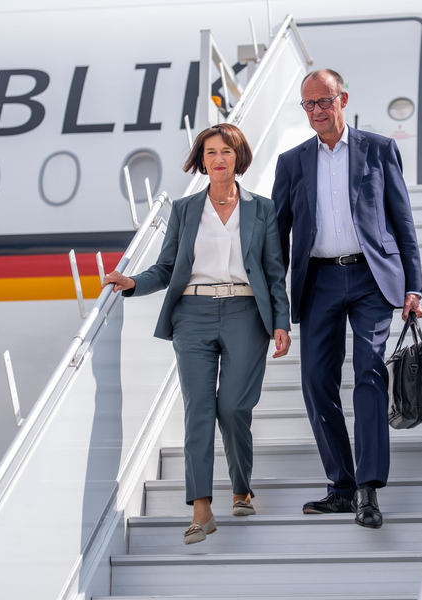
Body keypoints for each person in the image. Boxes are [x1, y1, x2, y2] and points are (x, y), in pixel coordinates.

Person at [102, 123, 291, 545]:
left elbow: (276, 272)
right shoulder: (186, 209)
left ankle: (241, 486)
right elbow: (168, 268)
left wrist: (281, 321)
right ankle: (200, 509)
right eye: (209, 152)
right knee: (199, 410)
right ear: (201, 160)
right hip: (193, 314)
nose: (218, 158)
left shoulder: (262, 209)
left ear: (238, 157)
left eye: (225, 151)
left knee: (234, 408)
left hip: (246, 312)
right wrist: (133, 282)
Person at [271, 69, 422, 530]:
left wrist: (413, 286)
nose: (317, 111)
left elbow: (403, 222)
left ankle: (368, 490)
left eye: (324, 101)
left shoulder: (378, 149)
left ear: (343, 99)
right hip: (317, 281)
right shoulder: (291, 162)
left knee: (371, 373)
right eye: (308, 104)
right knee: (317, 381)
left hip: (371, 279)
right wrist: (277, 306)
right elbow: (277, 240)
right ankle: (341, 485)